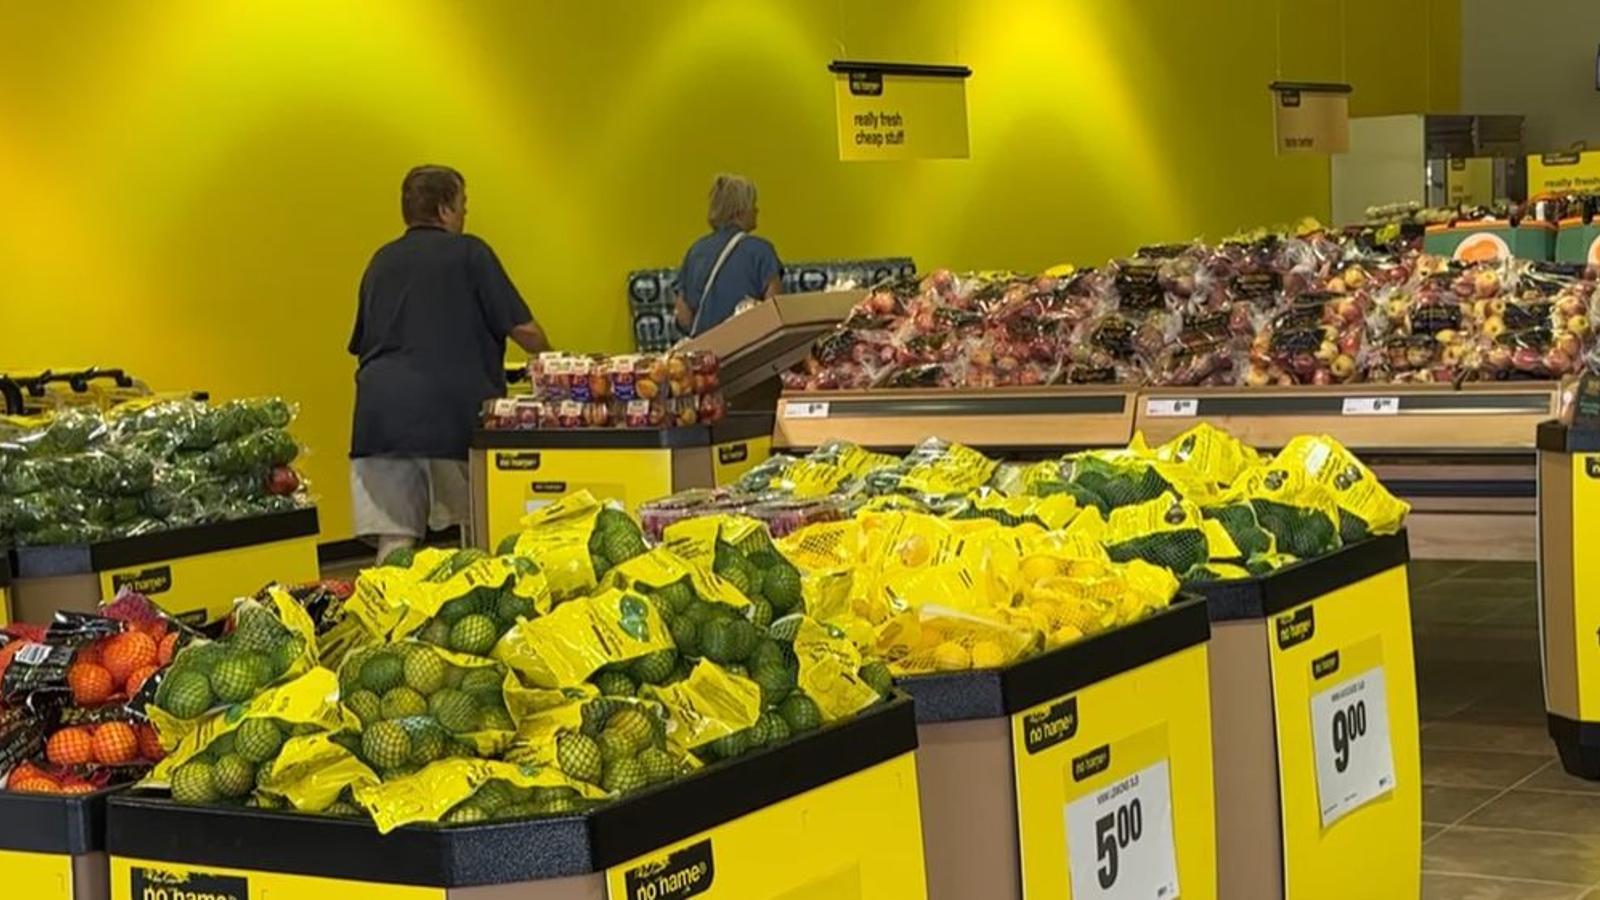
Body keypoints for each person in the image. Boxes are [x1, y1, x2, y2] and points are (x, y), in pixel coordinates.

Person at [348, 165, 550, 562]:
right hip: (451, 415)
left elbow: (363, 343)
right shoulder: (470, 253)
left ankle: (386, 600)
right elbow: (524, 330)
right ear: (444, 209)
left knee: (395, 539)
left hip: (380, 419)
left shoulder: (380, 262)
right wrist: (553, 363)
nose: (465, 214)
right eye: (462, 205)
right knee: (477, 529)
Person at [674, 174, 783, 336]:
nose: (756, 210)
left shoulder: (695, 251)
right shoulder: (762, 252)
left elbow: (683, 317)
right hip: (749, 345)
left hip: (706, 348)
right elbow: (775, 313)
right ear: (739, 212)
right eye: (752, 205)